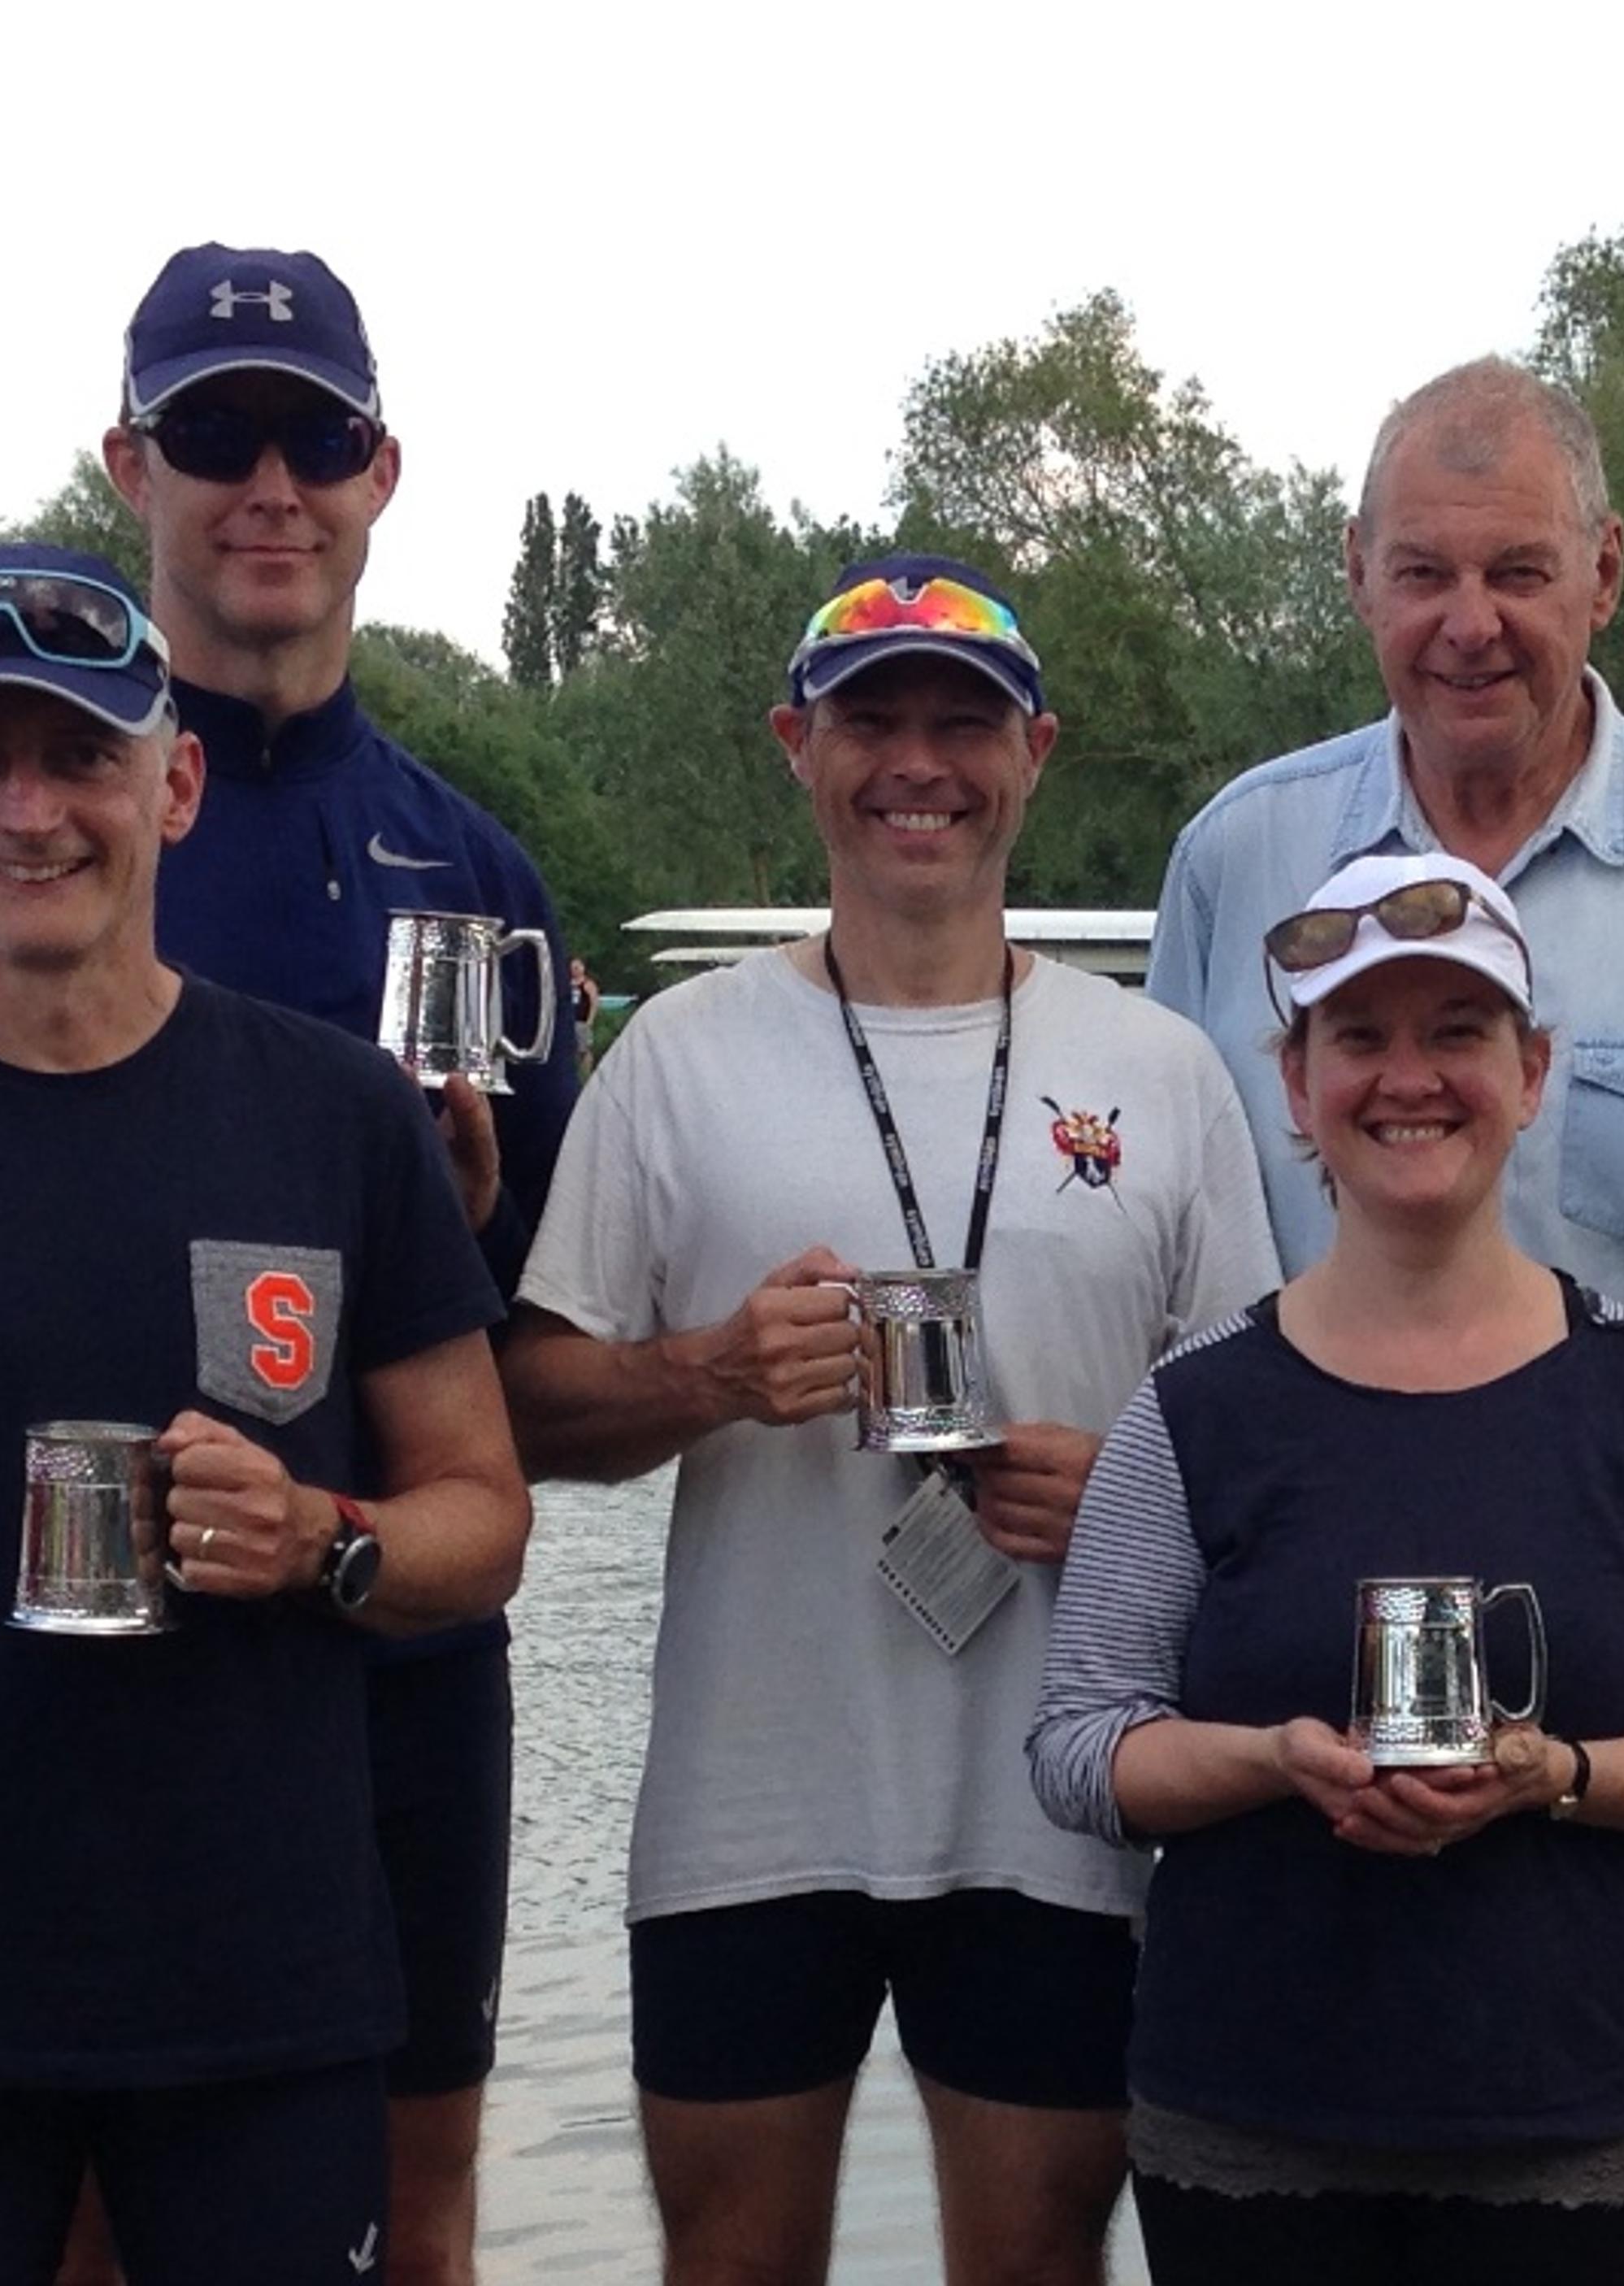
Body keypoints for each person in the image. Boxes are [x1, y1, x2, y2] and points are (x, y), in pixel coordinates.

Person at [0, 246, 575, 2286]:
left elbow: (515, 1372)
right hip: (34, 1709)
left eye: (315, 435)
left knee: (419, 2218)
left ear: (381, 469)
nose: (269, 483)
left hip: (385, 1673)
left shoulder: (477, 869)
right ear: (134, 462)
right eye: (215, 433)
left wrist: (448, 1227)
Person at [1144, 357, 1624, 2284]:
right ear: (1356, 575)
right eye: (1423, 571)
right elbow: (1177, 1275)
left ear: (1606, 575)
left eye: (1518, 571)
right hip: (1297, 1710)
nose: (1468, 622)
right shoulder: (1240, 861)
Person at [500, 555, 1280, 2285]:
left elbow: (1265, 1458)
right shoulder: (680, 1056)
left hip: (1057, 1801)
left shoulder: (1162, 1070)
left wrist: (1132, 1495)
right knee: (731, 2265)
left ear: (1035, 755)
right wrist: (708, 1375)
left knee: (1037, 2265)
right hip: (751, 1804)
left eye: (963, 724)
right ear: (798, 746)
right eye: (872, 723)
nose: (918, 764)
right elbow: (524, 1412)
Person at [1034, 852, 1624, 2283]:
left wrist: (1559, 1775)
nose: (1409, 1079)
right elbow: (1082, 1747)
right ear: (1295, 1084)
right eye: (1360, 1037)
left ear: (1532, 1073)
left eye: (1458, 1033)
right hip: (1246, 2126)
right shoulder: (1194, 1406)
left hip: (1555, 2123)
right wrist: (1276, 1759)